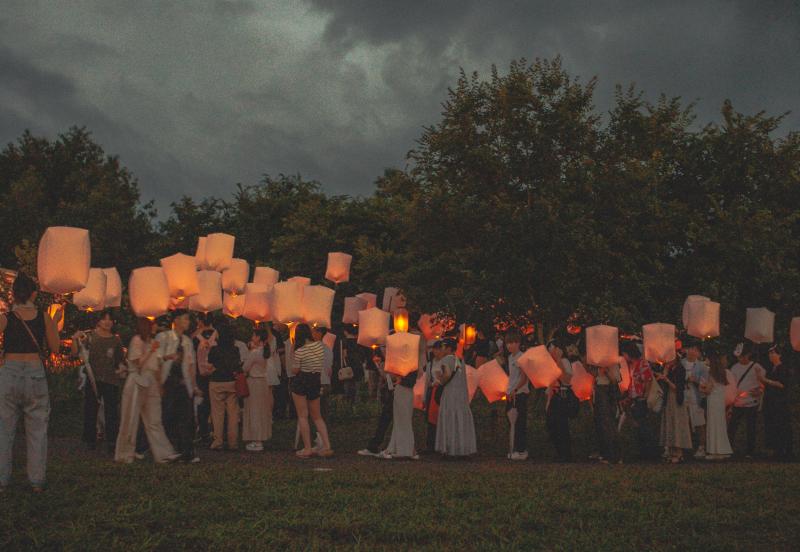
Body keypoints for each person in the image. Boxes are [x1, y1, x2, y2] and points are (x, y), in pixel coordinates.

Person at [0, 273, 60, 492]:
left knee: (4, 429)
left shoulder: (6, 317)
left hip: (9, 372)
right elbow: (55, 348)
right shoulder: (44, 317)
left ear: (14, 294)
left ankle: (2, 481)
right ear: (34, 293)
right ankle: (36, 482)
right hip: (34, 372)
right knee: (37, 429)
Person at [115, 318, 180, 464]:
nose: (155, 327)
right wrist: (151, 350)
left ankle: (164, 453)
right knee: (130, 419)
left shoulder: (152, 342)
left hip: (150, 382)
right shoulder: (137, 341)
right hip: (136, 381)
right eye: (153, 324)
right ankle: (124, 454)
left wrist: (159, 384)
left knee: (154, 420)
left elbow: (155, 364)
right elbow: (137, 364)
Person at [71, 310, 125, 452]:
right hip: (93, 379)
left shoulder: (116, 340)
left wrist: (121, 370)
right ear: (99, 321)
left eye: (110, 319)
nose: (107, 322)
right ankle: (90, 440)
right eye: (104, 319)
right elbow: (76, 353)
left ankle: (112, 441)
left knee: (111, 412)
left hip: (111, 380)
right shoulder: (90, 337)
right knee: (91, 410)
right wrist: (74, 339)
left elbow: (120, 360)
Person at [157, 310, 200, 463]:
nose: (187, 322)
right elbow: (155, 360)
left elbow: (191, 365)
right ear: (176, 320)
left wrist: (194, 386)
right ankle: (170, 449)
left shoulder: (187, 341)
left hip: (183, 383)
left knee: (186, 417)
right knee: (168, 416)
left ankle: (186, 451)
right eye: (185, 319)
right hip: (168, 382)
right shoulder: (164, 337)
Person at [291, 323, 333, 458]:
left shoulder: (299, 351)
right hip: (315, 380)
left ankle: (307, 448)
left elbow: (295, 369)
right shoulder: (319, 347)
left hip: (301, 381)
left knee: (303, 416)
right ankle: (327, 446)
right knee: (317, 416)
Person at [435, 338, 477, 457]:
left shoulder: (446, 360)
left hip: (450, 393)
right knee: (460, 419)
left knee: (450, 418)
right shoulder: (459, 360)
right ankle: (461, 448)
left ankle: (450, 448)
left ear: (448, 348)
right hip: (461, 393)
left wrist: (439, 381)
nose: (441, 349)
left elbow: (447, 375)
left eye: (443, 347)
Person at [206, 323, 242, 451]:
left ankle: (218, 440)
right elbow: (237, 365)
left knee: (217, 413)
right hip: (231, 382)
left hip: (216, 382)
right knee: (233, 413)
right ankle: (233, 442)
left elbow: (209, 366)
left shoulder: (215, 350)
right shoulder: (235, 349)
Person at [242, 328, 278, 452]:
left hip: (254, 382)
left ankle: (256, 440)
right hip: (262, 381)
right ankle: (261, 437)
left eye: (253, 335)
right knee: (261, 410)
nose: (252, 337)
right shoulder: (264, 351)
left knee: (254, 410)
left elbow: (245, 367)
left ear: (258, 337)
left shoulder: (255, 352)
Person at [728, 342, 764, 458]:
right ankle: (729, 448)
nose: (740, 358)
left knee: (751, 427)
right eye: (739, 356)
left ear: (748, 355)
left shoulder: (756, 367)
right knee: (732, 426)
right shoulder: (734, 368)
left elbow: (763, 382)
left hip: (751, 402)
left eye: (742, 356)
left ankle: (750, 451)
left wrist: (760, 391)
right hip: (738, 402)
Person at [621, 342, 656, 460]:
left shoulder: (642, 364)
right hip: (635, 397)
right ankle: (642, 451)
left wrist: (644, 396)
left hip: (641, 398)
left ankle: (648, 452)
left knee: (643, 425)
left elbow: (648, 380)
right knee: (639, 425)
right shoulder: (633, 366)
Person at [358, 348, 394, 457]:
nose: (383, 350)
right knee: (386, 418)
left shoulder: (395, 360)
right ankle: (375, 445)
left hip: (396, 393)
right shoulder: (387, 360)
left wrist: (381, 368)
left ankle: (377, 445)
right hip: (392, 393)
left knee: (387, 418)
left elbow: (390, 378)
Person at [760, 344, 794, 461]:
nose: (770, 355)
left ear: (779, 355)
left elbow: (781, 384)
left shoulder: (783, 369)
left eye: (773, 353)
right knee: (773, 426)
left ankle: (786, 451)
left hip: (780, 403)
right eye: (769, 353)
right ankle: (777, 450)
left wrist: (766, 381)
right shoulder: (771, 369)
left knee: (782, 426)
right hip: (771, 403)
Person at [656, 358, 692, 463]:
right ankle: (671, 451)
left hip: (676, 398)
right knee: (670, 423)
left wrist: (666, 379)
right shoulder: (669, 369)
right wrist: (665, 373)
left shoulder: (680, 369)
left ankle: (679, 452)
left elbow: (678, 388)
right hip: (669, 398)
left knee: (677, 423)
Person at [382, 361, 419, 459]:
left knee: (403, 420)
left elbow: (407, 381)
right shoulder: (412, 365)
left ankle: (405, 449)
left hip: (403, 391)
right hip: (403, 392)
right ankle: (399, 447)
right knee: (401, 420)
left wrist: (398, 378)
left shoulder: (408, 366)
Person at [700, 352, 733, 461]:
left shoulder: (711, 373)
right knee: (720, 425)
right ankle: (723, 449)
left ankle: (715, 451)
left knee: (713, 425)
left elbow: (708, 389)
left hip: (713, 402)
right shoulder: (722, 373)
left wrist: (702, 388)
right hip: (720, 402)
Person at [546, 340, 574, 463]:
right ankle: (559, 451)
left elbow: (566, 379)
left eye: (551, 349)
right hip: (555, 396)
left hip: (563, 395)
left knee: (562, 425)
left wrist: (558, 361)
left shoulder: (564, 362)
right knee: (552, 424)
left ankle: (565, 454)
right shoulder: (552, 363)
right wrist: (548, 400)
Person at [192, 313, 217, 446]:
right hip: (215, 372)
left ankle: (203, 432)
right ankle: (216, 431)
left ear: (201, 321)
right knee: (215, 403)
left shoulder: (195, 337)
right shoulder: (218, 334)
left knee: (203, 404)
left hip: (200, 373)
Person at [504, 330, 529, 461]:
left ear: (518, 343)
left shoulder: (522, 357)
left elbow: (524, 378)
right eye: (508, 343)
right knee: (511, 421)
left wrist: (515, 389)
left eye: (513, 343)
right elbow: (512, 377)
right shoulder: (510, 358)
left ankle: (522, 450)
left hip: (520, 393)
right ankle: (513, 448)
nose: (510, 346)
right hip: (511, 393)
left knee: (519, 422)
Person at [591, 358, 621, 464]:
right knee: (601, 424)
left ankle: (612, 455)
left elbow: (615, 380)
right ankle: (605, 453)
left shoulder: (613, 362)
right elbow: (594, 375)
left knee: (608, 424)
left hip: (607, 392)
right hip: (599, 390)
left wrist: (606, 371)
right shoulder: (597, 361)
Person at [682, 340, 709, 459]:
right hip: (683, 396)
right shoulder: (681, 363)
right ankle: (684, 447)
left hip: (696, 397)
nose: (692, 352)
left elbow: (706, 384)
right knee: (683, 422)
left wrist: (695, 381)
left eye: (695, 349)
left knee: (699, 423)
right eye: (690, 348)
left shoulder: (702, 366)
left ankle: (701, 447)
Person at [421, 340, 444, 454]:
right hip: (432, 391)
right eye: (435, 349)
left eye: (438, 349)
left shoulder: (445, 362)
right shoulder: (430, 364)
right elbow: (427, 381)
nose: (436, 352)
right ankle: (430, 445)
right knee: (431, 419)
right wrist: (424, 398)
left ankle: (440, 444)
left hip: (441, 391)